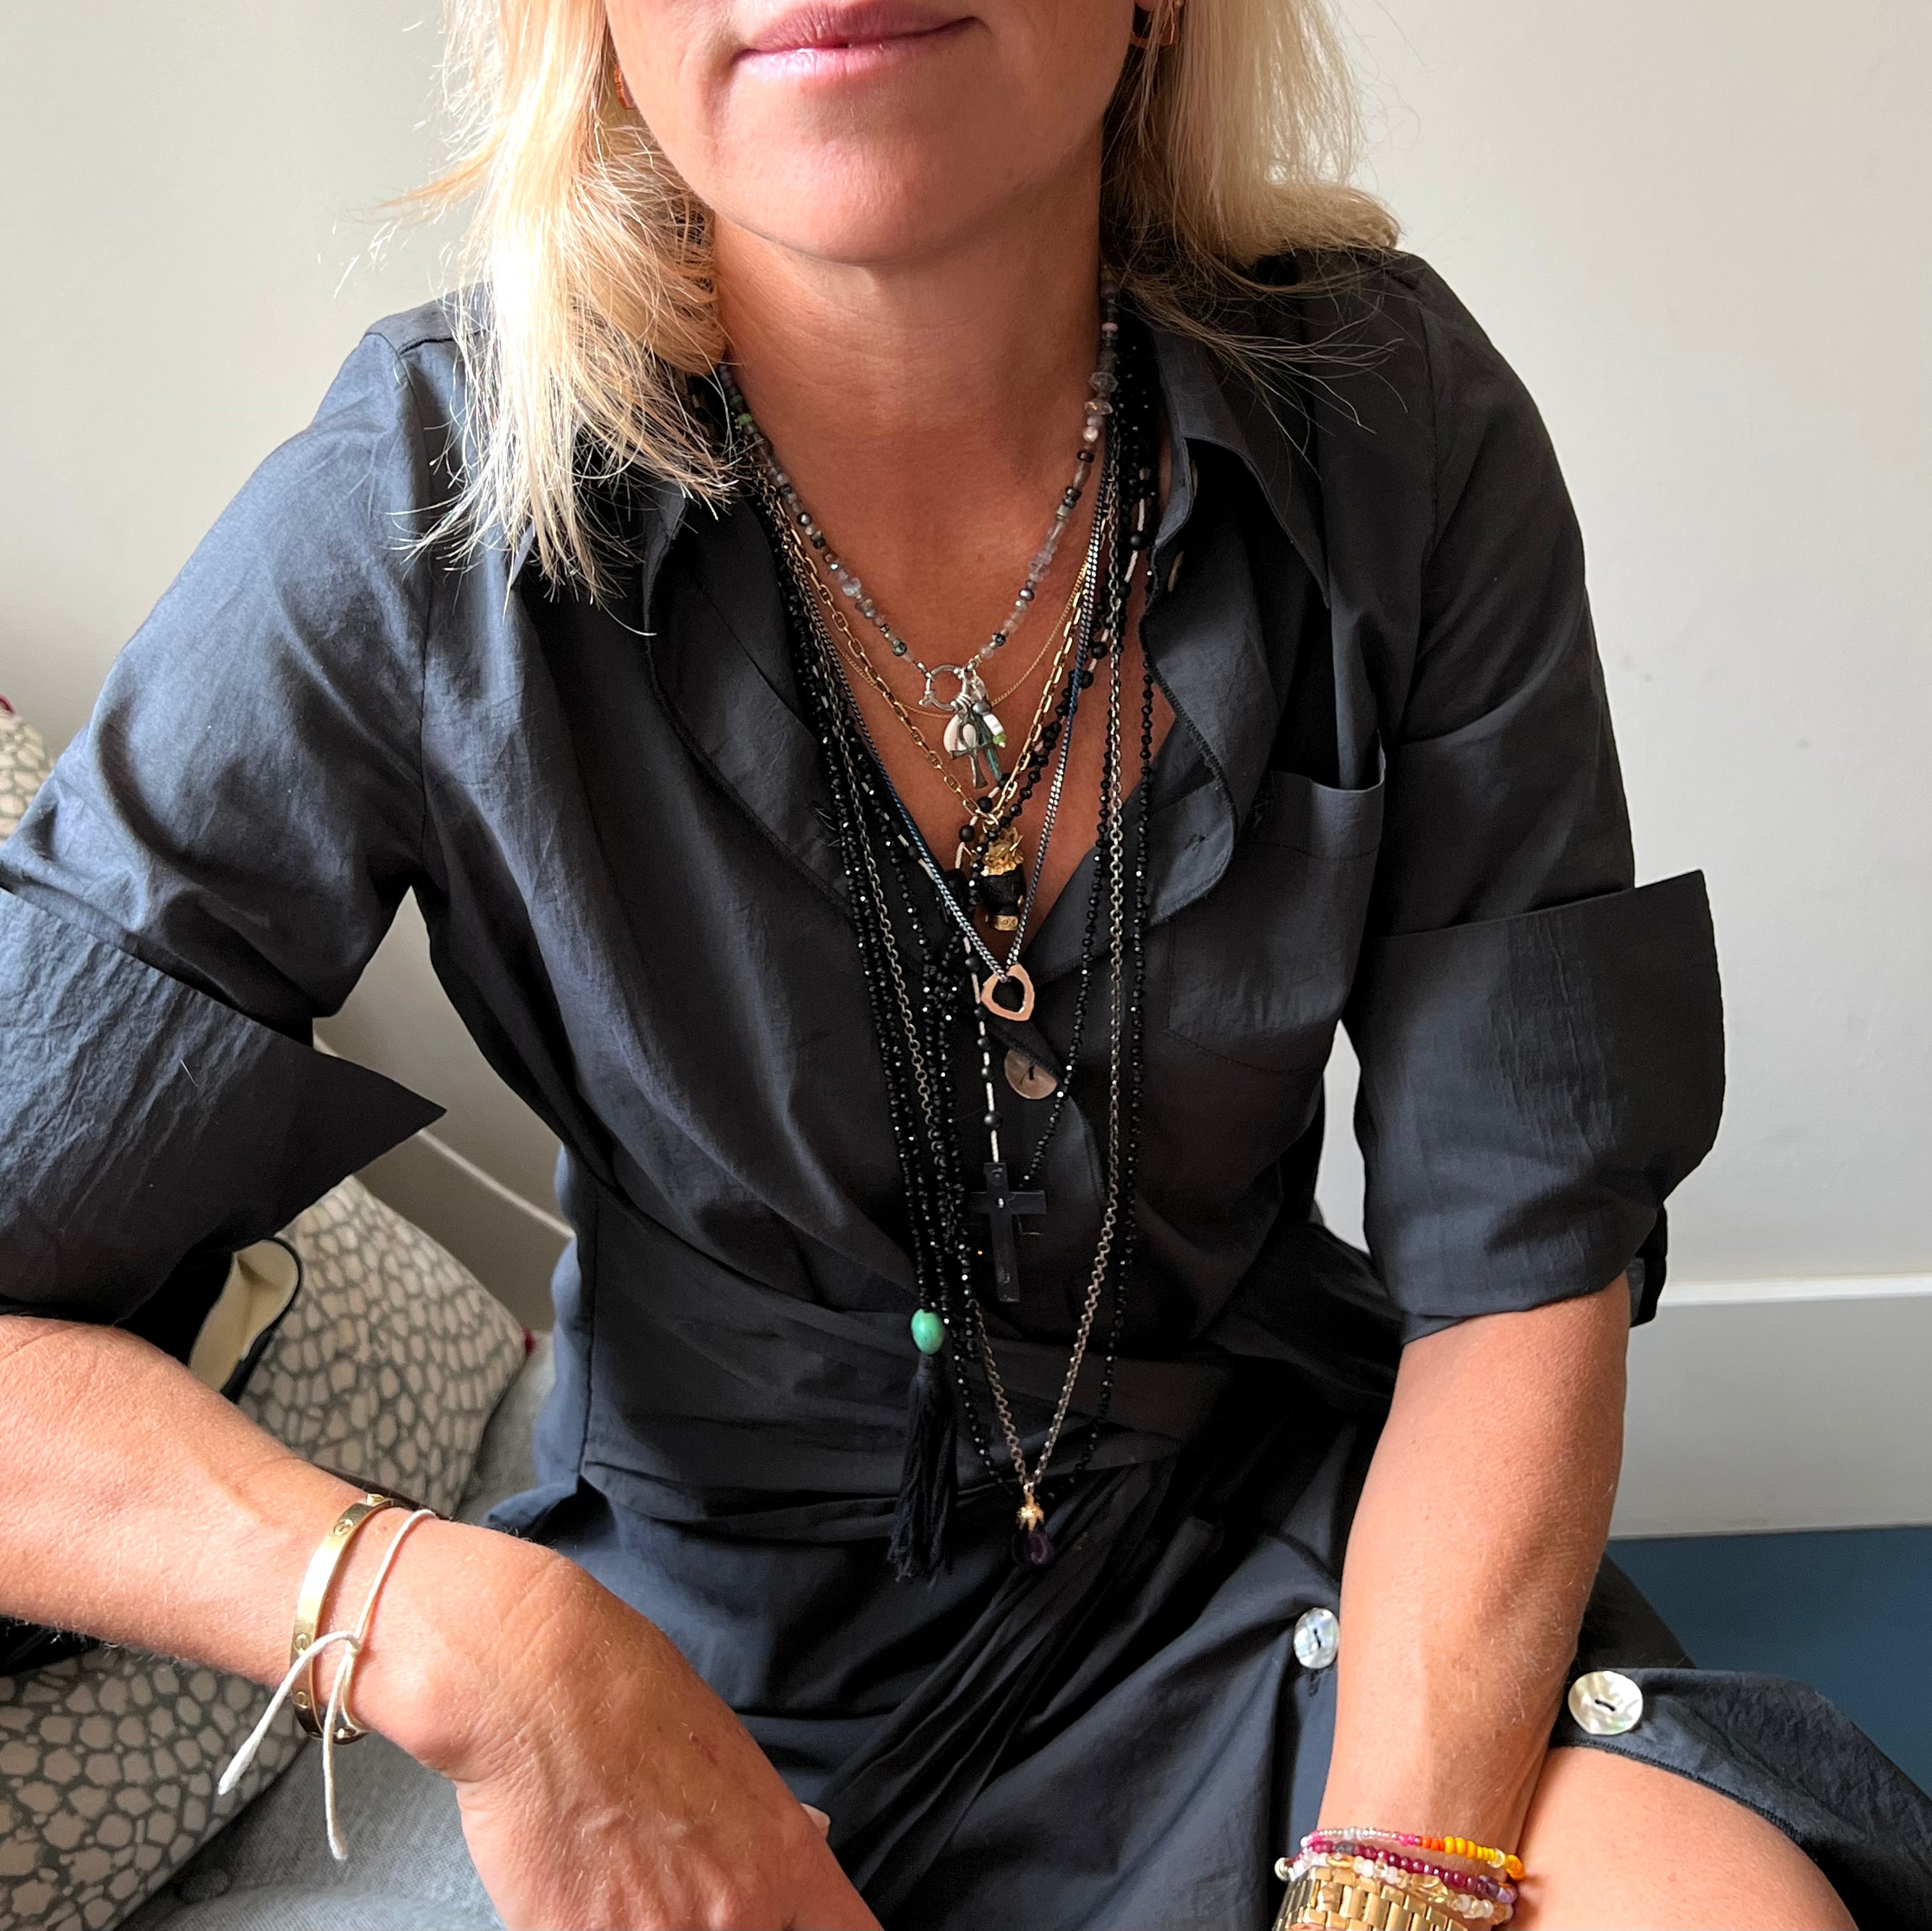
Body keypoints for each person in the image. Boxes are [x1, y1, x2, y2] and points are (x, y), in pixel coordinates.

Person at [2, 1, 1926, 1925]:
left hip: (1292, 1576)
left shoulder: (1390, 418)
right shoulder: (416, 504)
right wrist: (469, 1637)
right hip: (708, 1690)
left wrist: (1388, 1885)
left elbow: (1520, 1257)